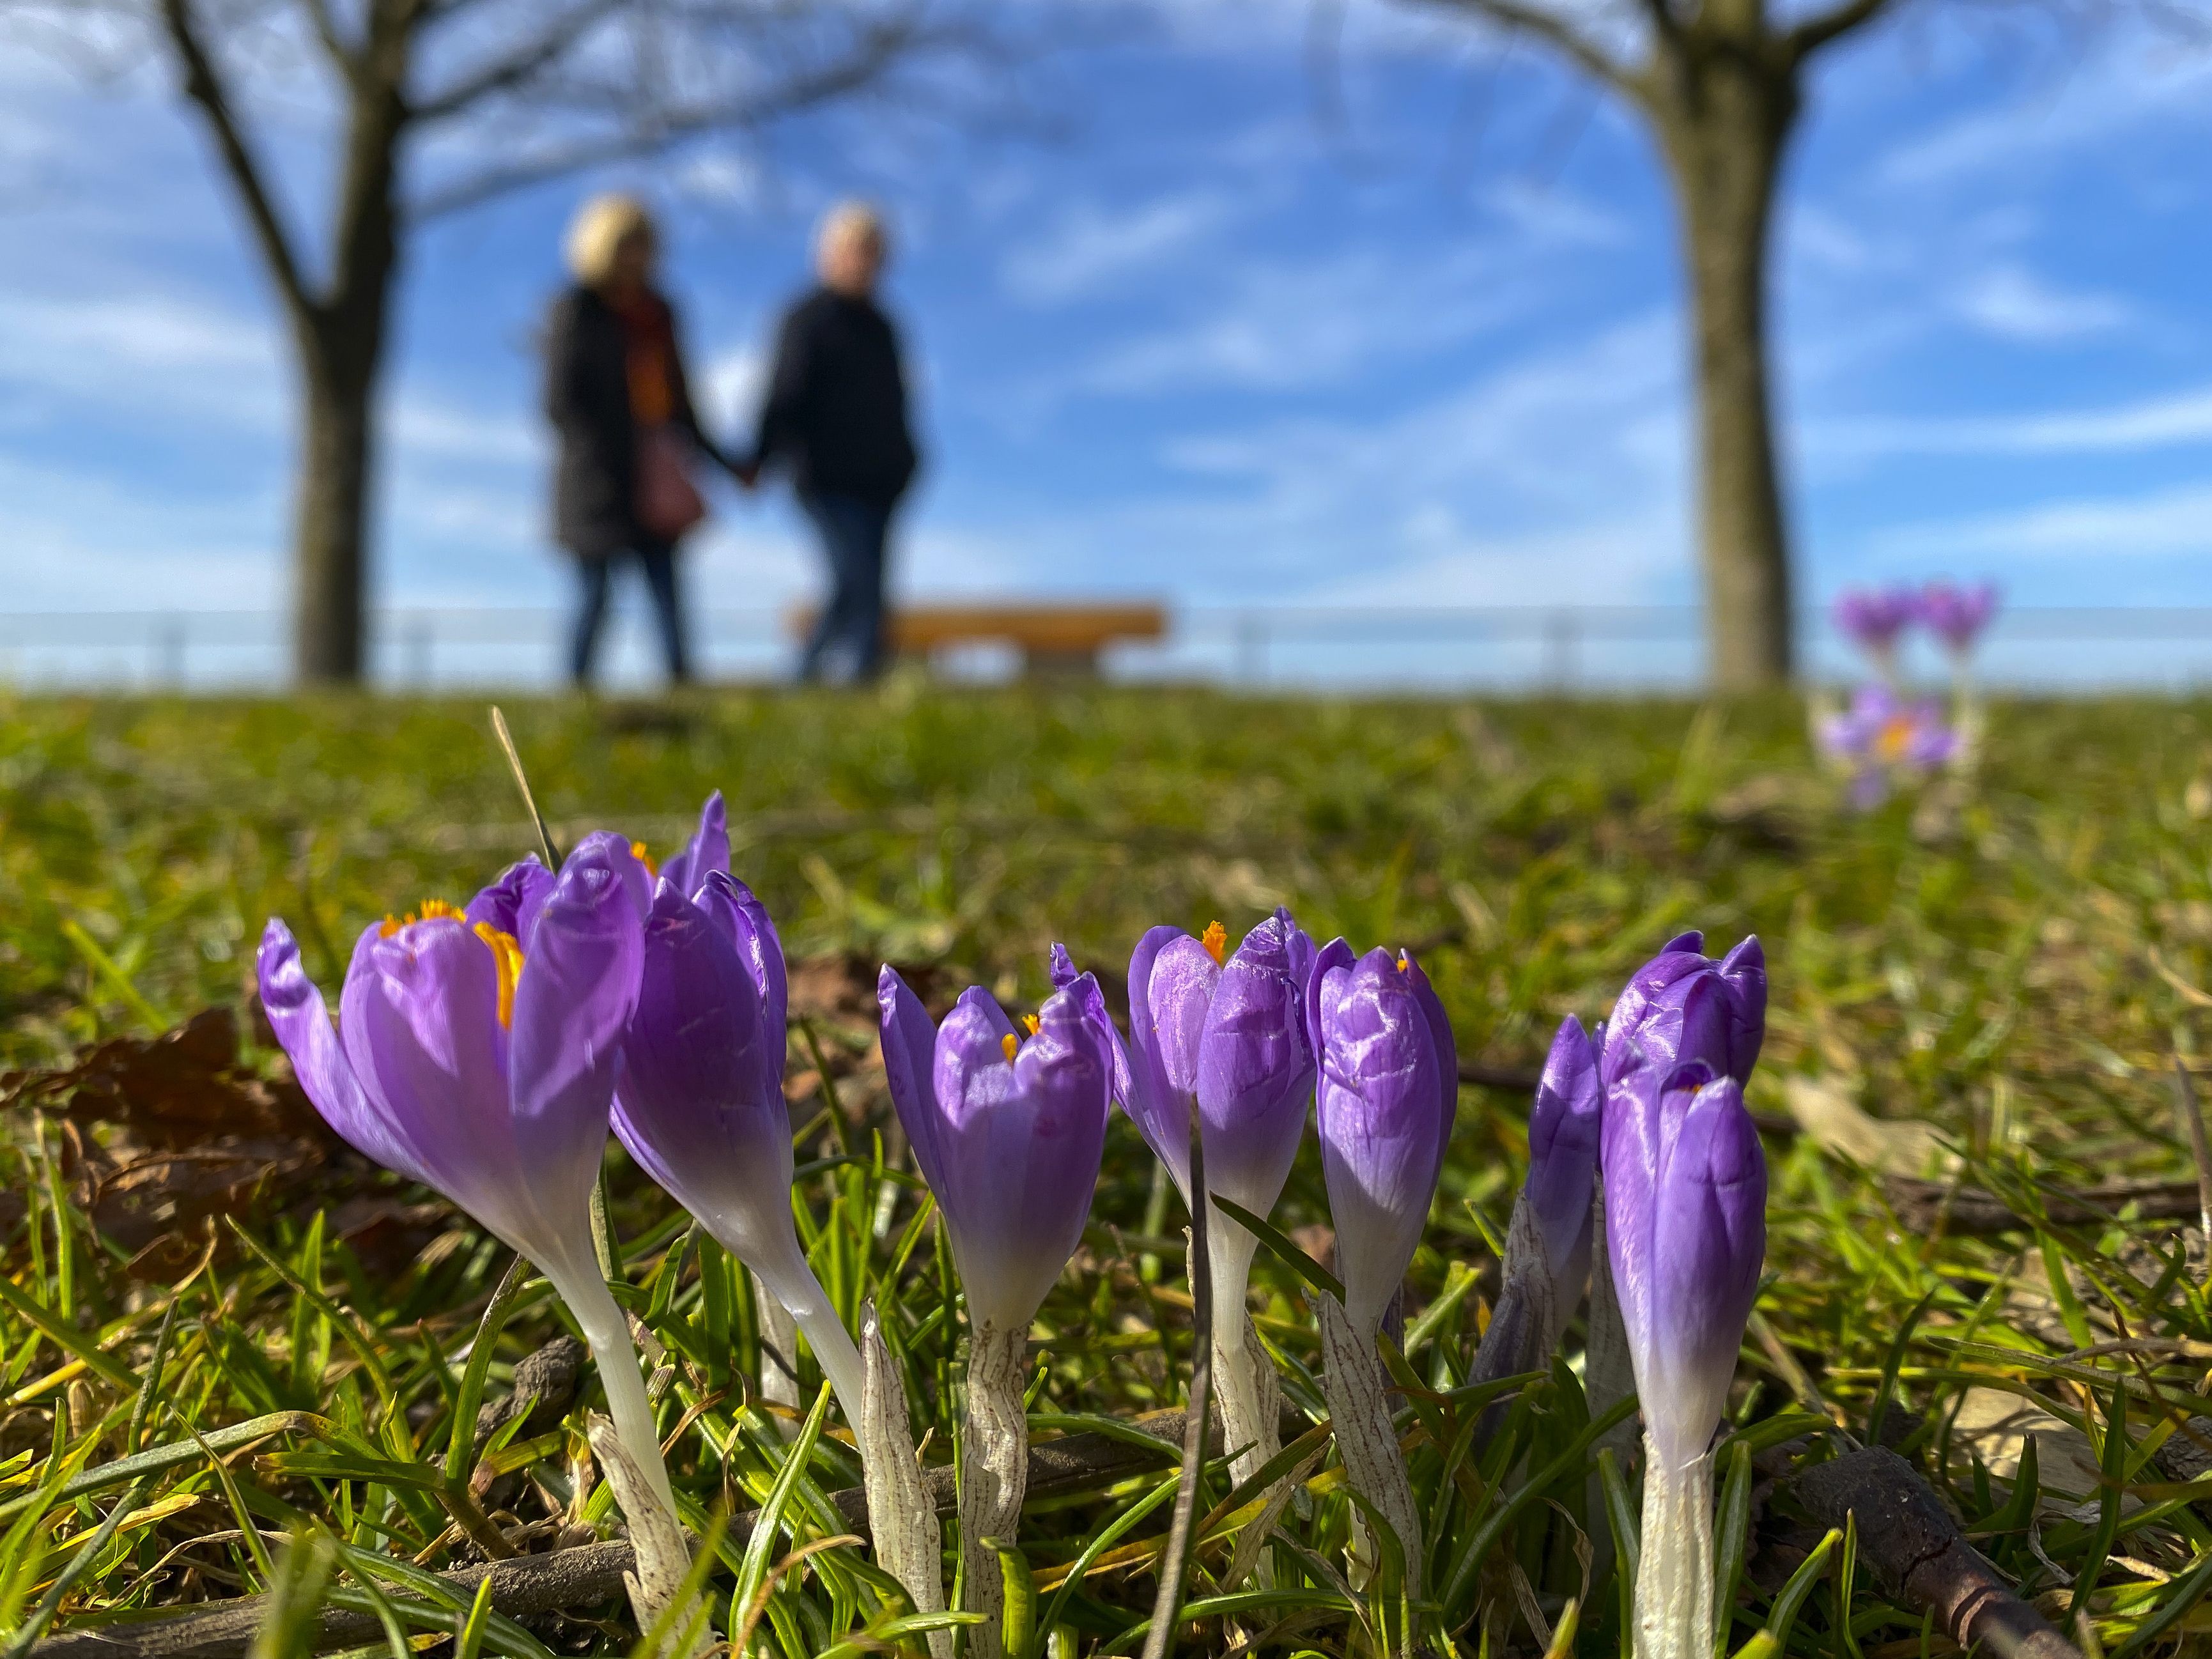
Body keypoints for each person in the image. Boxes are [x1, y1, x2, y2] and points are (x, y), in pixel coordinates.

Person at [545, 193, 728, 688]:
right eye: (627, 243)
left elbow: (683, 402)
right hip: (598, 478)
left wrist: (726, 463)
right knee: (594, 594)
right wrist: (604, 453)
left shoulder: (660, 314)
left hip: (655, 476)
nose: (637, 256)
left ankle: (682, 689)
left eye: (645, 244)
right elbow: (559, 403)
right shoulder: (576, 310)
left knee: (667, 590)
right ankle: (576, 694)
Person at [739, 203, 919, 684]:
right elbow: (783, 393)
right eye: (854, 250)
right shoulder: (807, 318)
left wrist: (909, 462)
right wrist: (758, 459)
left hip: (880, 482)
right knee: (849, 581)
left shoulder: (883, 327)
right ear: (829, 253)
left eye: (874, 253)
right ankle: (806, 680)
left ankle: (862, 681)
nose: (864, 263)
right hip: (823, 479)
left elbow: (899, 404)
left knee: (872, 591)